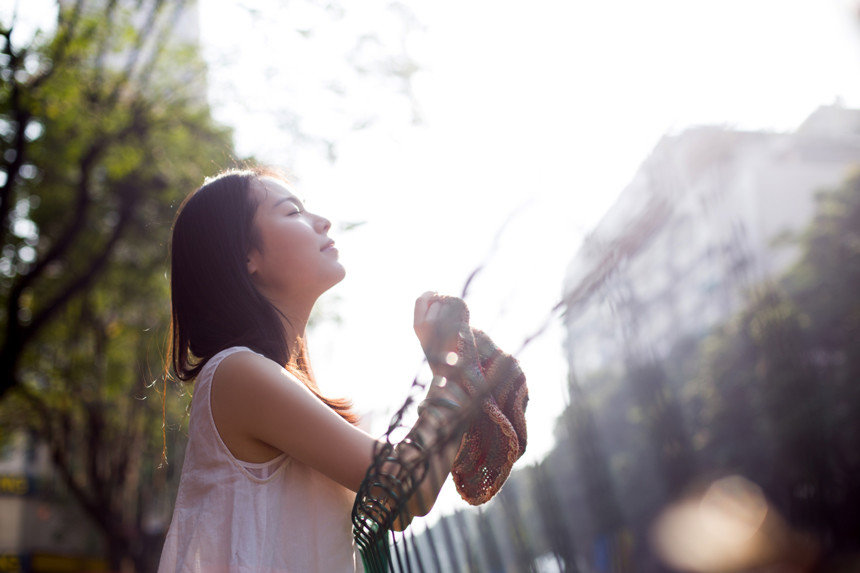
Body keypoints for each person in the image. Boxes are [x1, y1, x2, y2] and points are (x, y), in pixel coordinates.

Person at [157, 167, 476, 573]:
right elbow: (402, 489)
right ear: (245, 256)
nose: (322, 222)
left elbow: (392, 504)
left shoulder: (268, 380)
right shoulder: (236, 372)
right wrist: (452, 371)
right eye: (292, 213)